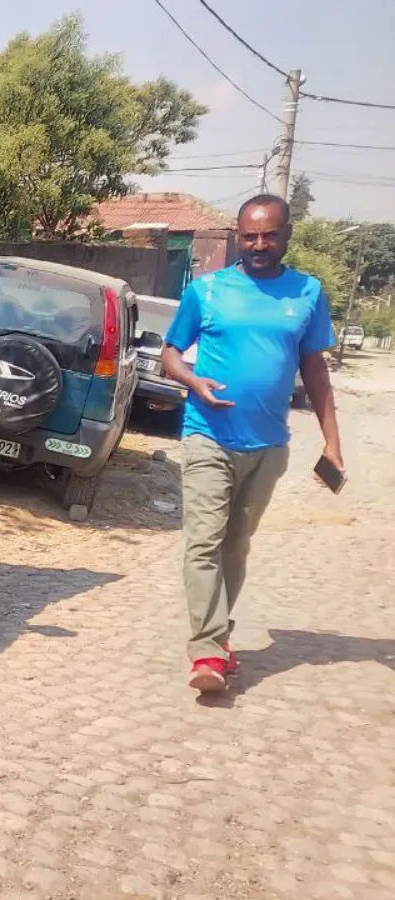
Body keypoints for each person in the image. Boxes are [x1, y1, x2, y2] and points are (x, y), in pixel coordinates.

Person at [160, 193, 344, 694]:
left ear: (286, 235)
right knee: (202, 543)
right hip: (207, 437)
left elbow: (315, 369)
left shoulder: (307, 292)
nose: (259, 243)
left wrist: (333, 444)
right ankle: (207, 650)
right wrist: (193, 381)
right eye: (250, 235)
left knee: (235, 548)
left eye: (270, 234)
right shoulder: (208, 290)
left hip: (268, 445)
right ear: (238, 236)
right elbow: (170, 354)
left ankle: (217, 640)